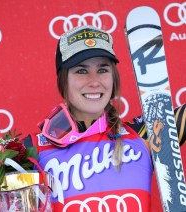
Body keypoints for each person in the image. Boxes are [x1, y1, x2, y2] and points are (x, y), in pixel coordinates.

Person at [23, 25, 185, 211]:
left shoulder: (145, 134)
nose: (94, 81)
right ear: (63, 80)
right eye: (81, 71)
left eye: (102, 70)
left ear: (113, 78)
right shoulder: (31, 150)